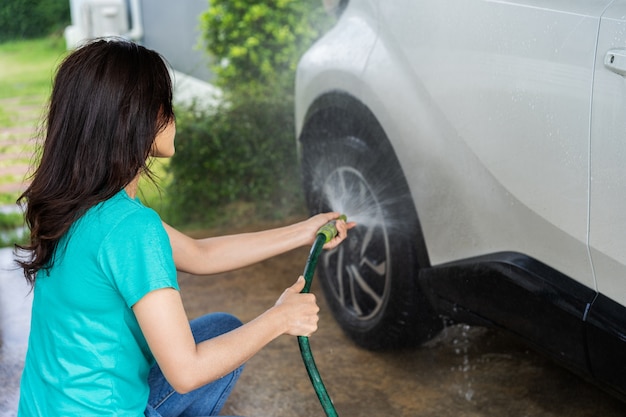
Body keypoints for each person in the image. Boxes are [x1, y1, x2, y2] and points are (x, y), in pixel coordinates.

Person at [15, 38, 354, 416]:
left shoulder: (74, 204)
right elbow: (186, 372)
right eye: (166, 104)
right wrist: (280, 318)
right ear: (138, 119)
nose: (173, 116)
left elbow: (200, 253)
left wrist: (306, 231)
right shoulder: (130, 229)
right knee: (208, 349)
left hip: (43, 407)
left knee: (221, 328)